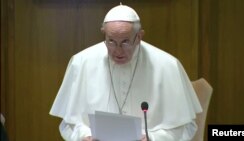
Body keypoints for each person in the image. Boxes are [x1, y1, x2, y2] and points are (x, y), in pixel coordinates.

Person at [50, 4, 202, 141]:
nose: (117, 51)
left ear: (139, 36)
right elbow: (68, 124)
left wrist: (154, 139)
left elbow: (186, 128)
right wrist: (83, 137)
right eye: (111, 41)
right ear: (103, 33)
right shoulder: (81, 62)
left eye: (125, 42)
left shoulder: (168, 66)